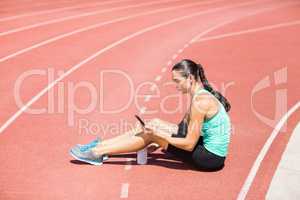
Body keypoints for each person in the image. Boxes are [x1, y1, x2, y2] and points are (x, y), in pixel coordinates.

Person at [70, 59, 232, 171]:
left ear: (190, 78)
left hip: (210, 158)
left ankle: (97, 154)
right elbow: (182, 129)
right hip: (205, 147)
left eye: (177, 81)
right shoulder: (199, 95)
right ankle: (100, 145)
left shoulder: (200, 102)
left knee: (151, 135)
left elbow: (189, 143)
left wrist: (158, 136)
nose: (175, 86)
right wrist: (157, 129)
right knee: (153, 123)